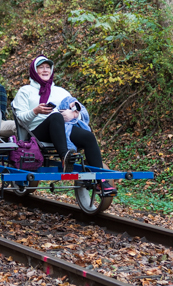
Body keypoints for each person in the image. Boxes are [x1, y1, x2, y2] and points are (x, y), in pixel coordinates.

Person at [11, 55, 116, 195]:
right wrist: (36, 111)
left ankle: (100, 182)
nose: (45, 70)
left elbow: (78, 109)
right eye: (41, 67)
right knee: (55, 116)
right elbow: (21, 118)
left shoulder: (60, 91)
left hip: (61, 130)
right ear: (34, 71)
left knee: (88, 137)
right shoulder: (25, 91)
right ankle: (64, 157)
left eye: (48, 67)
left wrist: (74, 114)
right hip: (36, 133)